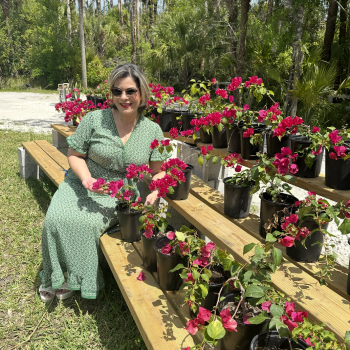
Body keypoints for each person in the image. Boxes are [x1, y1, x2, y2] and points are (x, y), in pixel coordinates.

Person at [39, 63, 169, 302]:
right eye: (117, 91)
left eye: (130, 91)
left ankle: (77, 277)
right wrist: (86, 178)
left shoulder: (152, 131)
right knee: (55, 219)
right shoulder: (94, 120)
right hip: (82, 183)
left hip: (118, 194)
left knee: (86, 224)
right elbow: (74, 155)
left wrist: (155, 191)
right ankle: (54, 273)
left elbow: (158, 172)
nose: (124, 97)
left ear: (142, 93)